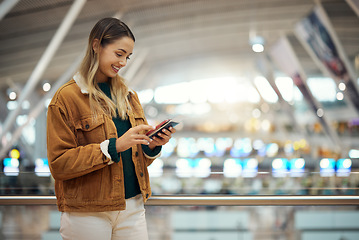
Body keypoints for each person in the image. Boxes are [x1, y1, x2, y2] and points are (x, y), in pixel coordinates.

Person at [46, 17, 176, 240]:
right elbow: (59, 164)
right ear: (96, 46)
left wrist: (151, 146)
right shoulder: (66, 99)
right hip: (88, 212)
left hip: (133, 207)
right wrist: (113, 147)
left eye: (127, 56)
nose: (124, 62)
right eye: (119, 54)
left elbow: (137, 157)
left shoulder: (128, 96)